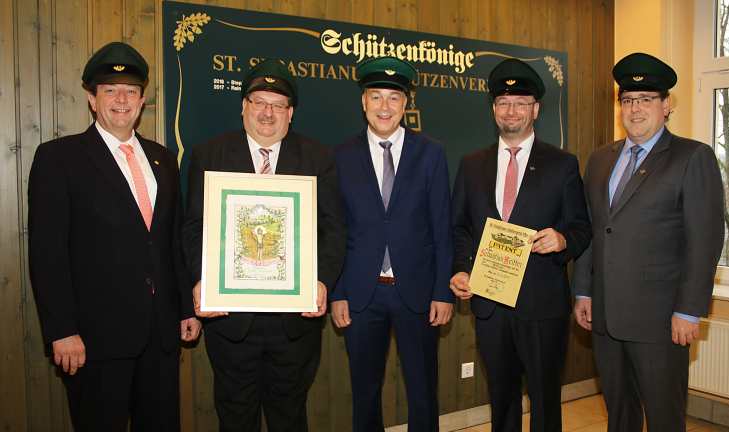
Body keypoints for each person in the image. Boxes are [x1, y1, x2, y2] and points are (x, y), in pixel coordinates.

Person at [27, 41, 200, 431]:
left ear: (142, 100)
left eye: (131, 91)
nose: (122, 99)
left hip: (160, 337)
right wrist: (62, 330)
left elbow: (169, 240)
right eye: (110, 90)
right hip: (94, 340)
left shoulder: (163, 159)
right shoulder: (59, 158)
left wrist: (185, 307)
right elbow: (47, 252)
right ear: (92, 98)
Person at [182, 59, 346, 432]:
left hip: (294, 325)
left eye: (277, 105)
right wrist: (200, 279)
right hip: (231, 322)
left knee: (289, 416)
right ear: (244, 107)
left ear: (291, 114)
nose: (267, 113)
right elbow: (193, 228)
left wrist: (321, 282)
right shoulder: (209, 155)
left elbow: (334, 229)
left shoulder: (318, 157)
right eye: (259, 102)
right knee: (235, 417)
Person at [572, 52, 725, 432]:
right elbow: (594, 230)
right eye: (627, 100)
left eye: (646, 99)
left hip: (660, 321)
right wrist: (583, 291)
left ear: (666, 105)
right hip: (606, 318)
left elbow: (704, 239)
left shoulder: (692, 157)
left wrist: (690, 310)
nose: (635, 108)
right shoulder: (600, 160)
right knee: (618, 414)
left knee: (663, 416)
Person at [450, 58, 591, 432]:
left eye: (521, 103)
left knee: (545, 400)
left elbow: (581, 227)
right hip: (490, 304)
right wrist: (462, 268)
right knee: (501, 396)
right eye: (503, 103)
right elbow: (459, 226)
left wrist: (562, 239)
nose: (511, 110)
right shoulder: (471, 164)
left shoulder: (562, 164)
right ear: (494, 109)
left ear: (536, 109)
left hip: (541, 305)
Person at [330, 56, 454, 432]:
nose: (385, 107)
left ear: (406, 104)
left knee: (422, 389)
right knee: (364, 390)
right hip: (360, 294)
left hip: (416, 292)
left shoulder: (430, 153)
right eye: (376, 97)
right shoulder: (340, 156)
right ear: (363, 102)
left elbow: (441, 227)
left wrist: (443, 292)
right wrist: (337, 292)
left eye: (394, 98)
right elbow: (334, 230)